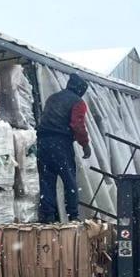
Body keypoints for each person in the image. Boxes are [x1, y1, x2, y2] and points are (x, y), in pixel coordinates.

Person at [37, 73, 91, 223]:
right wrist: (85, 145)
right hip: (60, 143)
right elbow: (77, 125)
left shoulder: (52, 98)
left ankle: (47, 216)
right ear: (80, 90)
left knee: (47, 180)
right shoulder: (78, 102)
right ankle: (73, 216)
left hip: (43, 142)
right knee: (69, 180)